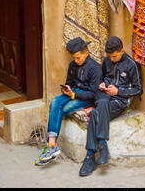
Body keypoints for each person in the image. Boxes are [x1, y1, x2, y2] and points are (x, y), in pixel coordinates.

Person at [79, 36, 143, 177]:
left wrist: (118, 91)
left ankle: (90, 156)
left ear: (122, 51)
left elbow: (139, 90)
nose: (112, 59)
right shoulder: (107, 61)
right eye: (110, 56)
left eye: (114, 56)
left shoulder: (132, 65)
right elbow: (104, 77)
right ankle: (103, 145)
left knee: (95, 114)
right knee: (101, 102)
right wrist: (103, 84)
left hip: (119, 100)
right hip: (104, 95)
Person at [35, 37, 102, 166]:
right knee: (55, 102)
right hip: (72, 93)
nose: (76, 61)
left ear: (86, 53)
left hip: (85, 97)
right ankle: (52, 144)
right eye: (74, 58)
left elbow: (93, 94)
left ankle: (51, 146)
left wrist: (74, 95)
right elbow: (69, 82)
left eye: (78, 58)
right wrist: (67, 89)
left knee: (62, 109)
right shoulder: (72, 65)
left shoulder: (95, 68)